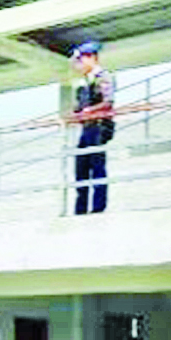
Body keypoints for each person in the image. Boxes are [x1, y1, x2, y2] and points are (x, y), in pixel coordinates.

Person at [68, 40, 113, 216]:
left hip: (98, 127)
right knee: (81, 168)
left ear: (91, 58)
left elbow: (108, 102)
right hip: (86, 128)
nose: (78, 65)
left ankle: (98, 208)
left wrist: (89, 111)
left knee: (97, 167)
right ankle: (80, 209)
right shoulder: (84, 82)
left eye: (80, 61)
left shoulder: (103, 77)